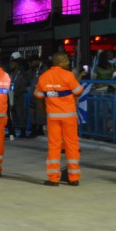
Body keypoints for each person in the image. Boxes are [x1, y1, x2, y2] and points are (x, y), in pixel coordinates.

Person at [34, 53, 84, 186]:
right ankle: (73, 178)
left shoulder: (43, 77)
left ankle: (53, 178)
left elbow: (39, 95)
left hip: (53, 117)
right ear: (60, 62)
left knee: (54, 146)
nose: (68, 62)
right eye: (66, 60)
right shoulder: (68, 75)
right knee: (72, 145)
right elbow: (78, 91)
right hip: (69, 116)